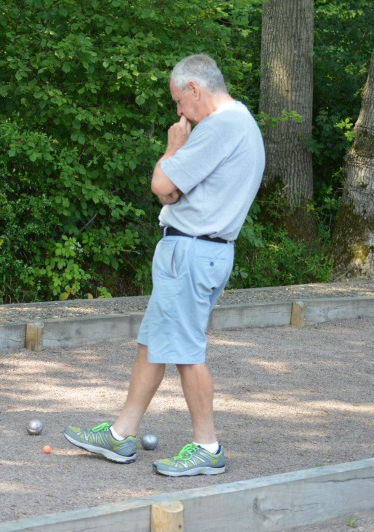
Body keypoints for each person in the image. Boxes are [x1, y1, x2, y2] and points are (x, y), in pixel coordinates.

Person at [64, 54, 265, 475]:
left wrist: (174, 147)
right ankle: (120, 435)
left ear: (195, 88)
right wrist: (172, 184)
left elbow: (162, 185)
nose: (179, 111)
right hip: (199, 250)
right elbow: (171, 192)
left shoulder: (220, 127)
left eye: (179, 99)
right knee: (153, 343)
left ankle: (207, 447)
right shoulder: (241, 121)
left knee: (187, 352)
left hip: (192, 251)